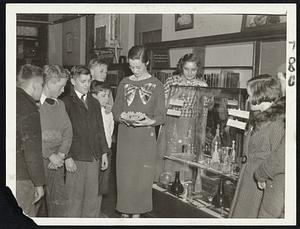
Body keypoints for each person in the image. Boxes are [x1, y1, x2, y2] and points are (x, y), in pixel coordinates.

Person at [112, 45, 165, 218]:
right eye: (131, 66)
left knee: (142, 177)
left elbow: (161, 115)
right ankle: (125, 210)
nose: (134, 70)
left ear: (147, 63)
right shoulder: (124, 83)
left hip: (145, 137)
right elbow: (116, 110)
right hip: (126, 136)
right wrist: (123, 117)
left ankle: (138, 214)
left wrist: (148, 121)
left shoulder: (157, 85)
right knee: (125, 176)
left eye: (138, 67)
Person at [229, 74, 285, 218]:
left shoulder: (277, 124)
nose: (247, 100)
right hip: (248, 179)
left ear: (262, 95)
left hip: (259, 185)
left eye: (250, 95)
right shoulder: (260, 116)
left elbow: (277, 158)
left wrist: (263, 177)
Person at [61, 65, 110, 217]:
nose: (87, 85)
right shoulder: (65, 102)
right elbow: (63, 133)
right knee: (73, 201)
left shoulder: (94, 102)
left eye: (89, 81)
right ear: (73, 81)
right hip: (76, 158)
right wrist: (67, 157)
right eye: (83, 81)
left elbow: (100, 129)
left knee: (92, 201)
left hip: (94, 157)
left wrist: (103, 153)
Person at [156, 53, 207, 180]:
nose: (190, 73)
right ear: (181, 67)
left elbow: (205, 109)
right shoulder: (172, 81)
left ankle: (184, 182)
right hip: (172, 122)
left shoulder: (202, 84)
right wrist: (175, 96)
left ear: (198, 69)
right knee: (171, 153)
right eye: (186, 69)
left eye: (193, 70)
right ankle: (168, 181)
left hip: (191, 124)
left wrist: (208, 99)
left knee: (186, 155)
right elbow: (162, 104)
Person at [39, 65, 73, 217]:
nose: (63, 90)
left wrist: (61, 154)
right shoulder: (34, 105)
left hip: (57, 162)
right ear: (50, 83)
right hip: (39, 160)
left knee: (58, 203)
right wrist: (49, 154)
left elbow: (68, 132)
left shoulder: (60, 105)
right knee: (37, 205)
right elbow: (32, 136)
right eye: (61, 86)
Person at [16, 64, 45, 217]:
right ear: (35, 85)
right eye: (41, 84)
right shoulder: (29, 109)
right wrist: (39, 183)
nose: (42, 89)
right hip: (22, 176)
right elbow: (32, 151)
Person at [90, 80, 114, 217]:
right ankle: (91, 213)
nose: (106, 99)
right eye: (103, 96)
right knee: (93, 184)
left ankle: (97, 211)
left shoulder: (107, 112)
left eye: (108, 95)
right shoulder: (92, 112)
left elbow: (110, 131)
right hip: (96, 152)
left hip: (107, 150)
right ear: (93, 96)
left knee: (102, 185)